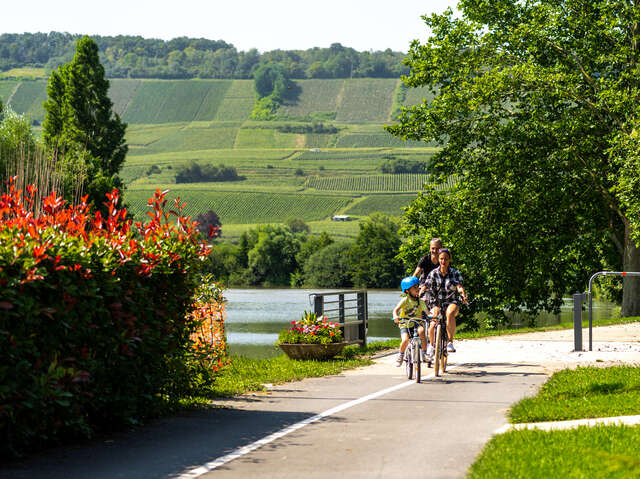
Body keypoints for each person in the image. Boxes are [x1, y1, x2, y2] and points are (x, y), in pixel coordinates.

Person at [424, 248, 468, 357]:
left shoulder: (455, 273)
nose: (443, 261)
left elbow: (459, 286)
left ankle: (450, 342)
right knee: (433, 320)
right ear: (438, 260)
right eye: (441, 259)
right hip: (436, 301)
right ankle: (432, 345)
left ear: (449, 260)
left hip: (451, 300)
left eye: (446, 259)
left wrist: (463, 295)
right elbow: (426, 286)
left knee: (450, 313)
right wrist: (420, 293)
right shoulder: (433, 273)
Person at [392, 276, 429, 366]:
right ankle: (400, 355)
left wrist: (431, 316)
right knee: (405, 340)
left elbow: (426, 311)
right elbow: (395, 310)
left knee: (422, 332)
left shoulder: (421, 302)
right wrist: (395, 316)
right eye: (414, 288)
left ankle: (424, 354)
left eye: (418, 287)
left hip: (417, 323)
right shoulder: (405, 300)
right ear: (408, 291)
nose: (417, 289)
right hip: (405, 323)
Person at [412, 237, 443, 302]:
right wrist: (413, 289)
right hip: (424, 284)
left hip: (439, 285)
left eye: (437, 249)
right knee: (424, 300)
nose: (434, 251)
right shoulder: (425, 259)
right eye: (433, 248)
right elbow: (415, 274)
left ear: (441, 248)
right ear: (430, 248)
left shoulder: (444, 260)